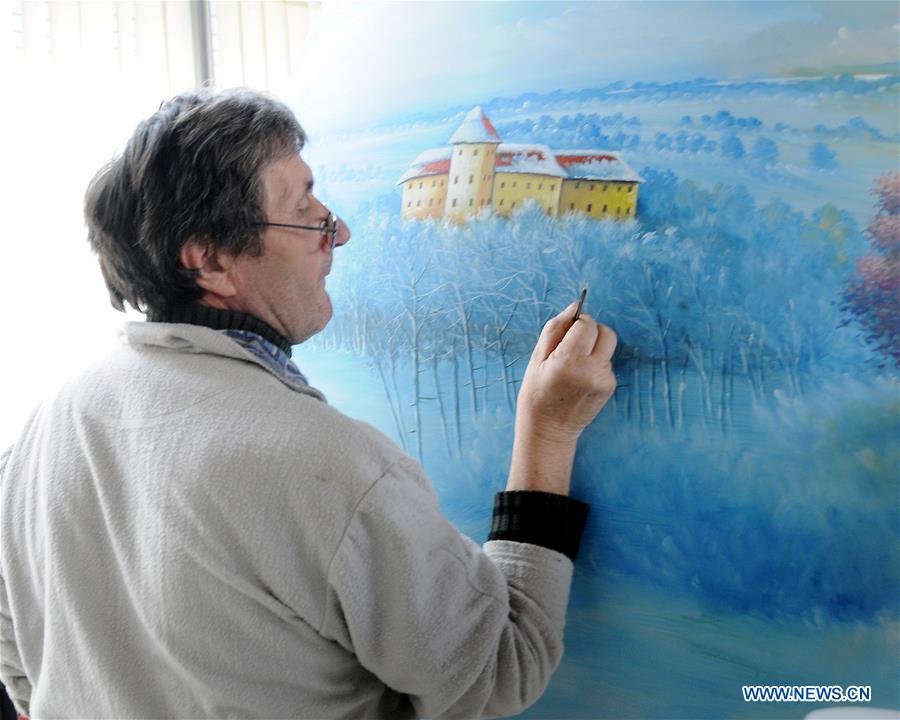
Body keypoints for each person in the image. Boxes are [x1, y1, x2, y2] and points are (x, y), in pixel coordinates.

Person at [0, 89, 617, 719]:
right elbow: (498, 668)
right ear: (211, 259)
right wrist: (548, 434)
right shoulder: (329, 466)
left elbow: (16, 653)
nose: (339, 232)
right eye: (307, 214)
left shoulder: (47, 423)